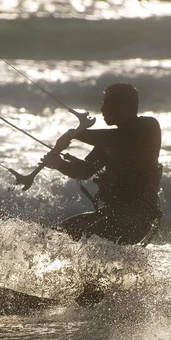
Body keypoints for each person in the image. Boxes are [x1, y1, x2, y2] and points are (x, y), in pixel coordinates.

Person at [41, 82, 162, 245]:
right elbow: (84, 171)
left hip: (138, 216)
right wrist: (58, 163)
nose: (102, 109)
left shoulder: (147, 127)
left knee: (90, 237)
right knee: (57, 234)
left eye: (107, 103)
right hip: (113, 213)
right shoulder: (108, 142)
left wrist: (74, 133)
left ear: (123, 106)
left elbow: (118, 137)